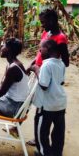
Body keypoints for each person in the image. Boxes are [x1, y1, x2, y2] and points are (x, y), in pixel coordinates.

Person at [26, 8, 70, 146]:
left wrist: (53, 75)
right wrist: (32, 65)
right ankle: (30, 132)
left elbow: (65, 61)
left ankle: (38, 139)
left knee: (41, 108)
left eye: (43, 22)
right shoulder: (46, 33)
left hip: (45, 76)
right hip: (39, 71)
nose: (42, 25)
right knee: (29, 101)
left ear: (52, 20)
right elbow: (40, 53)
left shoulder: (61, 38)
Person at [31, 40, 67, 156]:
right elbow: (61, 82)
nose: (40, 50)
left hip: (46, 105)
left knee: (42, 129)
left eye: (41, 48)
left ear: (48, 49)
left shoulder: (46, 65)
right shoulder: (61, 64)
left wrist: (36, 70)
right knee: (58, 131)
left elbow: (44, 85)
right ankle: (57, 154)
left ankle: (44, 152)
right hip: (60, 103)